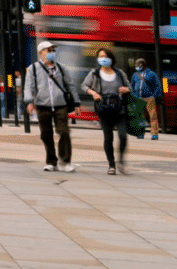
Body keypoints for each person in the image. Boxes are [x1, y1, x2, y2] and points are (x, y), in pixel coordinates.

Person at [25, 40, 80, 172]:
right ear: (40, 53)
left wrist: (76, 102)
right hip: (42, 105)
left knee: (64, 132)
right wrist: (29, 102)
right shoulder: (33, 68)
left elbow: (70, 85)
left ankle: (65, 161)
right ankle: (51, 162)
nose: (51, 53)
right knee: (46, 134)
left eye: (52, 50)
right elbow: (28, 87)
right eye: (48, 50)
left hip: (61, 105)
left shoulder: (61, 68)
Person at [83, 47, 132, 175]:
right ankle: (112, 165)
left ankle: (121, 161)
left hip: (119, 108)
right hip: (103, 109)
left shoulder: (120, 73)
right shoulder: (94, 73)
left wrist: (126, 89)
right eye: (100, 57)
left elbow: (129, 86)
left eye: (105, 56)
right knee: (108, 137)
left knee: (123, 136)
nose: (103, 59)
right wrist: (93, 93)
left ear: (111, 58)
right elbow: (84, 86)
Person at [131, 58, 163, 140]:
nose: (136, 67)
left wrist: (154, 96)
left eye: (138, 65)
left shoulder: (151, 74)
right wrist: (135, 96)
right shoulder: (135, 75)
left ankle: (154, 134)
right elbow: (132, 86)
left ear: (143, 65)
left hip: (149, 98)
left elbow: (158, 86)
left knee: (153, 116)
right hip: (139, 98)